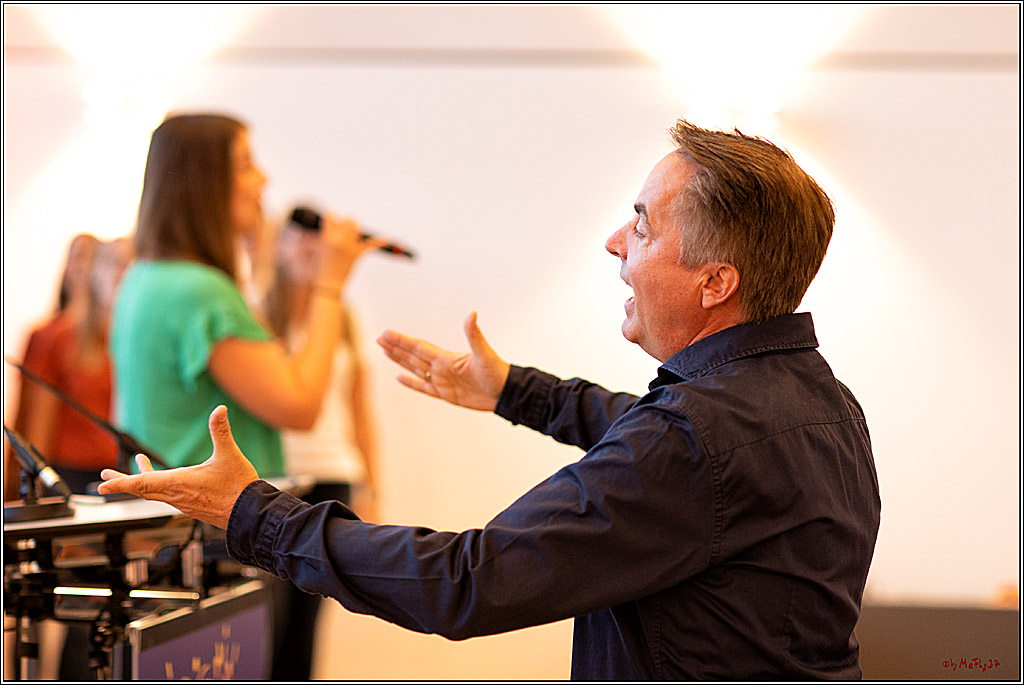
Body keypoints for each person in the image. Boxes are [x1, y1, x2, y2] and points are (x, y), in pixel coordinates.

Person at [99, 120, 882, 680]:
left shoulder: (694, 438)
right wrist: (514, 391)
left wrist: (253, 514)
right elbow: (650, 435)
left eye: (641, 225)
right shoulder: (821, 402)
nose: (615, 240)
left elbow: (466, 581)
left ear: (716, 283)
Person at [109, 113, 378, 478]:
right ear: (205, 182)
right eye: (247, 165)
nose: (264, 180)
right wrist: (329, 284)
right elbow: (300, 407)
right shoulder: (201, 292)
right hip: (213, 522)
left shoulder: (144, 277)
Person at [259, 208, 381, 679]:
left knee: (306, 626)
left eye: (318, 243)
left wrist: (372, 485)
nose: (310, 250)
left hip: (336, 479)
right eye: (298, 240)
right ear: (277, 246)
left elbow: (360, 412)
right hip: (276, 480)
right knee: (267, 617)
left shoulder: (343, 316)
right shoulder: (255, 312)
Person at [4, 233, 127, 499]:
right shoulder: (53, 338)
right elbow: (38, 428)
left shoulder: (123, 339)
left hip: (116, 472)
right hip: (69, 475)